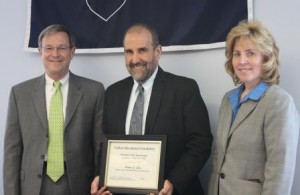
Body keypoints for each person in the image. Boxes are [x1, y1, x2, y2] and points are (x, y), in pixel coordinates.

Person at [90, 23, 212, 195]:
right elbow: (106, 144)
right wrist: (100, 176)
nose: (135, 59)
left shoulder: (184, 89)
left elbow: (201, 143)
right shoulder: (113, 93)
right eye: (129, 52)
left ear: (158, 52)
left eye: (142, 50)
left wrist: (173, 182)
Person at [3, 24, 105, 195]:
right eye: (49, 48)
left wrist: (101, 181)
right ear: (40, 52)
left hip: (79, 185)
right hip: (32, 186)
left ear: (72, 52)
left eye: (62, 48)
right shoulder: (19, 93)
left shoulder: (93, 91)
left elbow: (100, 146)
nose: (55, 54)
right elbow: (12, 152)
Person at [208, 20, 299, 195]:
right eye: (236, 54)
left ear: (265, 58)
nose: (242, 61)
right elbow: (219, 159)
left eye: (250, 53)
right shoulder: (228, 100)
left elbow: (280, 171)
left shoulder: (278, 102)